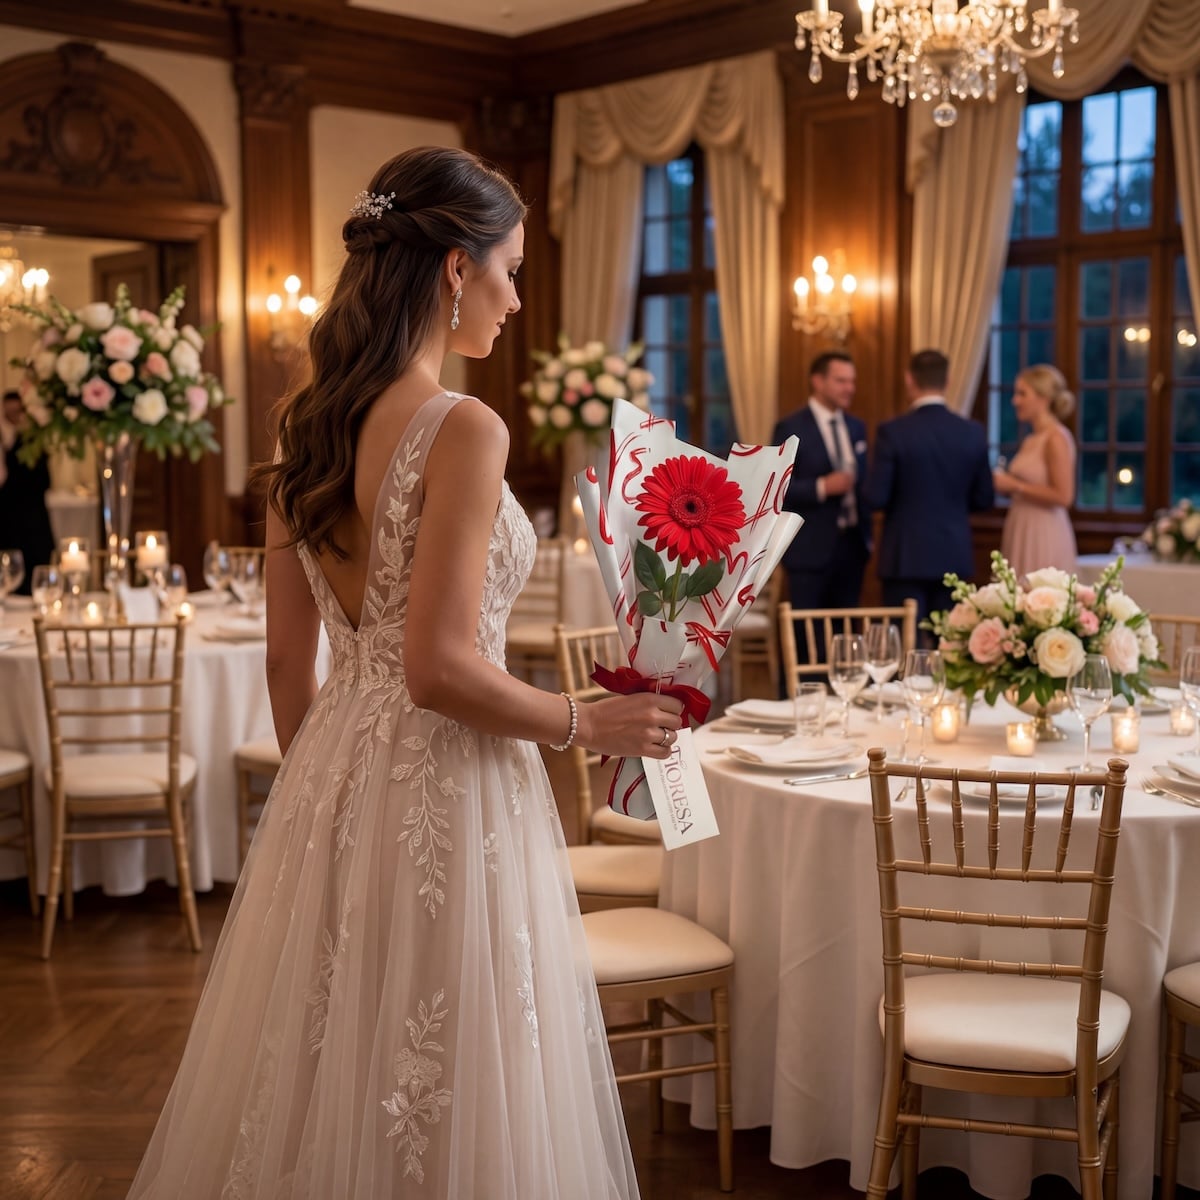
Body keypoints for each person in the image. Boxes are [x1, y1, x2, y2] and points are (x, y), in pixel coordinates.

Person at [128, 146, 682, 1199]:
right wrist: (585, 722)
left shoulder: (308, 432)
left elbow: (289, 660)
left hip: (334, 772)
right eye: (510, 268)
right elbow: (436, 669)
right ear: (453, 269)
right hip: (451, 781)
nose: (517, 298)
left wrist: (324, 799)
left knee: (329, 1057)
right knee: (452, 1053)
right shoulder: (463, 428)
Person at [865, 349, 994, 633]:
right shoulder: (971, 432)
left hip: (904, 554)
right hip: (953, 551)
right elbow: (985, 498)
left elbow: (876, 497)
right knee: (950, 649)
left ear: (910, 380)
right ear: (947, 381)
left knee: (901, 646)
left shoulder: (893, 431)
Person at [773, 351, 871, 616]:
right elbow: (777, 488)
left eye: (852, 381)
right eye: (841, 381)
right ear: (818, 381)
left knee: (846, 629)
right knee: (806, 634)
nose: (849, 388)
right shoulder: (790, 427)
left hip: (852, 547)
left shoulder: (856, 427)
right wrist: (821, 487)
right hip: (809, 550)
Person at [993, 364, 1078, 580]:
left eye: (1022, 394)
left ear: (1044, 398)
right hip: (1022, 524)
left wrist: (1015, 485)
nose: (1015, 401)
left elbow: (1064, 496)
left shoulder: (1056, 438)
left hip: (1044, 530)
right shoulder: (1031, 439)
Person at [0, 388, 55, 594]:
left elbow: (44, 481)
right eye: (8, 413)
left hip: (31, 517)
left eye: (17, 412)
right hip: (6, 519)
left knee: (34, 567)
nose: (13, 418)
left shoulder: (33, 441)